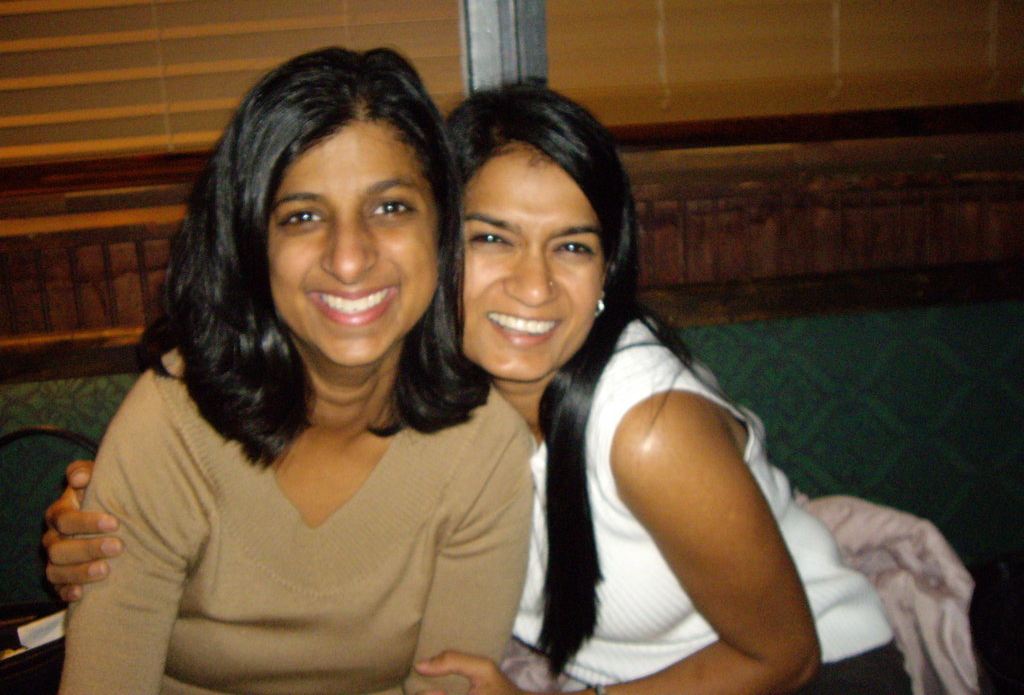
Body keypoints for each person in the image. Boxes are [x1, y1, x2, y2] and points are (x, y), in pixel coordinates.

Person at [44, 84, 911, 694]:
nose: (533, 287)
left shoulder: (648, 429)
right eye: (493, 237)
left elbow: (784, 657)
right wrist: (110, 519)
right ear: (439, 243)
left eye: (572, 246)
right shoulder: (430, 386)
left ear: (608, 272)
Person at [51, 47, 534, 695]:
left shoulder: (484, 448)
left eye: (390, 207)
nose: (349, 258)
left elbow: (449, 685)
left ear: (442, 228)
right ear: (252, 244)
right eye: (302, 216)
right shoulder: (171, 426)